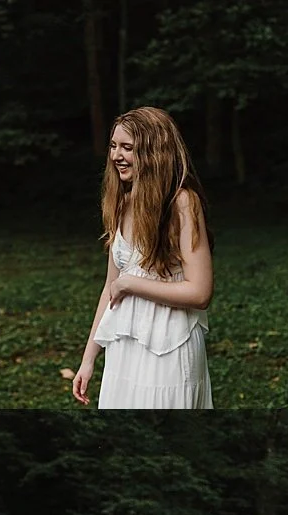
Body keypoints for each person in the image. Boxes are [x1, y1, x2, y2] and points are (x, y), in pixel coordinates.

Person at [71, 107, 214, 410]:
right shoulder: (122, 202)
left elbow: (200, 292)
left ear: (154, 153)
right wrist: (88, 359)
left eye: (127, 148)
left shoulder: (182, 203)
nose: (116, 156)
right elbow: (111, 285)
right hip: (123, 345)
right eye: (113, 146)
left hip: (169, 344)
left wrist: (132, 285)